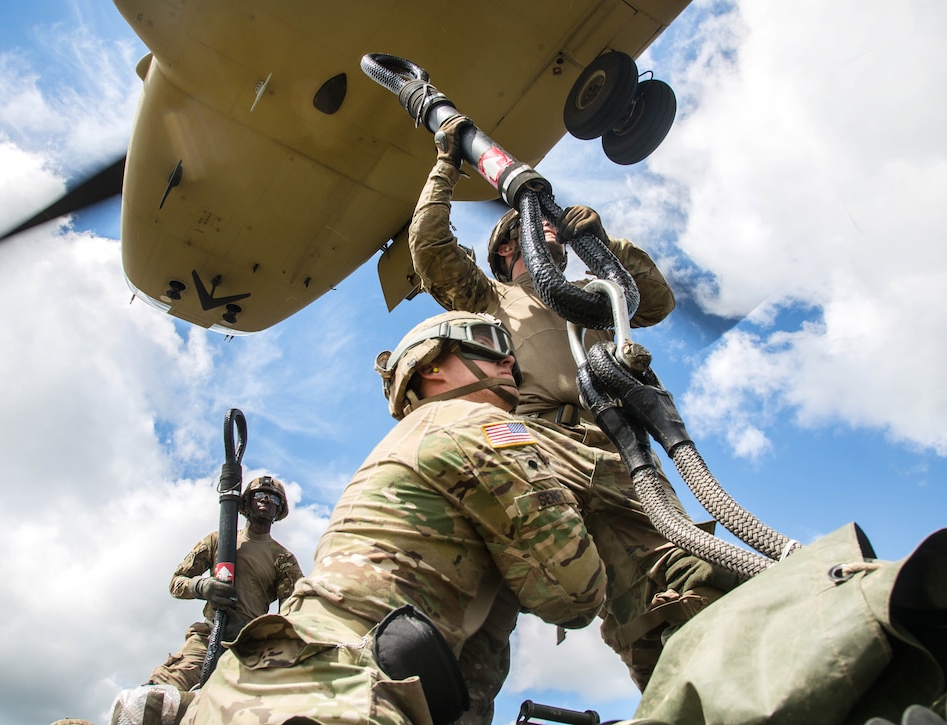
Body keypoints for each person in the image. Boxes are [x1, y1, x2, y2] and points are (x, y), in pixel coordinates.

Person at [410, 114, 740, 718]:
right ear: (510, 248)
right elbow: (429, 246)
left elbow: (655, 302)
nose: (553, 239)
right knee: (482, 590)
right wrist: (446, 160)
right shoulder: (486, 297)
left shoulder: (592, 299)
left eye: (557, 232)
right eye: (539, 233)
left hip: (617, 451)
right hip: (530, 444)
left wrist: (605, 245)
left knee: (673, 578)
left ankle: (718, 694)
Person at [183, 312, 609, 725]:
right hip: (338, 691)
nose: (509, 359)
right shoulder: (474, 422)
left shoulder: (403, 439)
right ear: (431, 366)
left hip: (257, 683)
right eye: (488, 344)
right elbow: (575, 595)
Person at [145, 475, 303, 692]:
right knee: (159, 693)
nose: (265, 500)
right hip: (208, 636)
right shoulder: (218, 540)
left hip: (249, 648)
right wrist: (203, 587)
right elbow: (176, 583)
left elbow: (293, 615)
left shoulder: (283, 559)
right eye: (259, 495)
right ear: (247, 502)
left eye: (273, 499)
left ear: (279, 510)